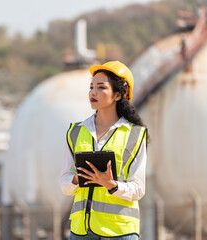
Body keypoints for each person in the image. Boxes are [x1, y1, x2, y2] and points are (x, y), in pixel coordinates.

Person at [59, 61, 148, 240]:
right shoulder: (76, 132)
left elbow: (139, 189)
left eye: (101, 87)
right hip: (81, 231)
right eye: (91, 87)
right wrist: (78, 178)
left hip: (120, 232)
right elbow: (64, 183)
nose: (93, 92)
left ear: (117, 95)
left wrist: (111, 184)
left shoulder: (135, 135)